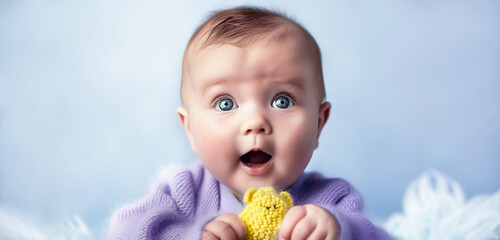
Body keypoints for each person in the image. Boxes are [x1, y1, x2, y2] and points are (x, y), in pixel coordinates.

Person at [108, 6, 390, 240]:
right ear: (190, 129)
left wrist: (339, 229)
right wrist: (190, 236)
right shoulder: (183, 190)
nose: (255, 123)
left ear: (318, 124)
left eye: (282, 101)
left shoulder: (332, 199)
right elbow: (125, 231)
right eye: (225, 104)